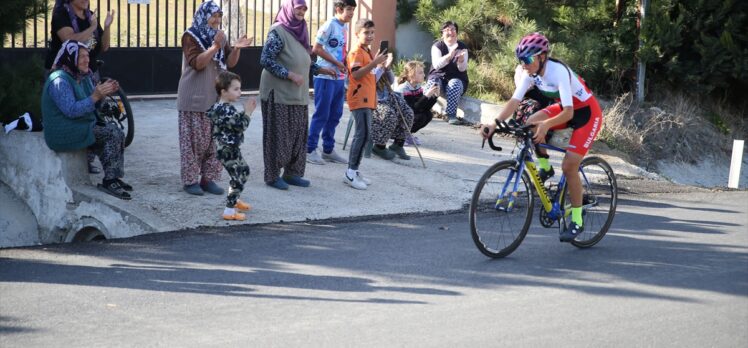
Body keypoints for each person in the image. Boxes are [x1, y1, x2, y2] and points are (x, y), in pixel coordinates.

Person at [481, 33, 603, 242]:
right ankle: (545, 167)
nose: (524, 65)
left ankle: (577, 219)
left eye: (528, 60)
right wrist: (494, 122)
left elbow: (568, 113)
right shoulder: (531, 72)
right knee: (529, 124)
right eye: (521, 60)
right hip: (564, 108)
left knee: (569, 166)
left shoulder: (558, 72)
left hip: (586, 114)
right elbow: (514, 101)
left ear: (542, 57)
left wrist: (546, 125)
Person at [177, 0, 252, 196]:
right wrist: (214, 46)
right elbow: (198, 63)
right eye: (213, 16)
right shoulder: (190, 36)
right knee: (193, 142)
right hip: (193, 97)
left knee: (214, 141)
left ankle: (208, 179)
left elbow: (230, 63)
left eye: (219, 16)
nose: (217, 20)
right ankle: (190, 181)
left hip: (214, 99)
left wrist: (236, 48)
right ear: (204, 16)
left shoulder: (220, 37)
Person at [259, 0, 336, 190]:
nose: (301, 11)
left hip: (298, 94)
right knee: (278, 136)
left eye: (304, 8)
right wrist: (289, 74)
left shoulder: (301, 30)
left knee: (297, 136)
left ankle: (293, 173)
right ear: (288, 9)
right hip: (278, 93)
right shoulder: (278, 31)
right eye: (298, 8)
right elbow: (266, 59)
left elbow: (303, 60)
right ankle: (272, 176)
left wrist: (321, 70)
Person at [41, 40, 130, 200]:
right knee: (110, 132)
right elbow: (71, 110)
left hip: (80, 125)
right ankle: (110, 180)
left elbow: (94, 105)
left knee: (115, 130)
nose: (86, 60)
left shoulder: (83, 76)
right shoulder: (59, 80)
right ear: (70, 57)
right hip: (64, 131)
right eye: (81, 56)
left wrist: (103, 93)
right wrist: (95, 96)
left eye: (87, 56)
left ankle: (114, 177)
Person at [45, 0, 115, 175]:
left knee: (93, 112)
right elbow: (71, 41)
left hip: (86, 71)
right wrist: (92, 27)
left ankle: (88, 158)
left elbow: (104, 46)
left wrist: (105, 27)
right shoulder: (62, 15)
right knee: (73, 111)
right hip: (66, 72)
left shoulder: (89, 16)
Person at [306, 0, 357, 165]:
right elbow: (317, 48)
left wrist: (346, 63)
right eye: (349, 10)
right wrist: (336, 63)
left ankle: (328, 149)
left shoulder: (345, 26)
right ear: (339, 9)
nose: (351, 13)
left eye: (353, 10)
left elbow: (340, 50)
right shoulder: (329, 25)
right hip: (325, 76)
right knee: (322, 113)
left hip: (338, 77)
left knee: (335, 115)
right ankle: (310, 148)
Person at [345, 19, 389, 190]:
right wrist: (374, 63)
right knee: (361, 135)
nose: (370, 36)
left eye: (372, 32)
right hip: (359, 99)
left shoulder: (368, 52)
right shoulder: (356, 52)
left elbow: (371, 76)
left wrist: (380, 66)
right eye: (366, 32)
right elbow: (356, 75)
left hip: (368, 99)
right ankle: (350, 172)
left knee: (365, 135)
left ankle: (354, 170)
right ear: (357, 34)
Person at [207, 71, 257, 221]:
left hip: (231, 148)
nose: (239, 92)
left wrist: (245, 112)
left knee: (244, 171)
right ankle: (229, 211)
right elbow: (240, 126)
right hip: (227, 150)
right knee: (238, 177)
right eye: (235, 89)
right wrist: (248, 112)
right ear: (223, 91)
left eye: (240, 88)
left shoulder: (224, 108)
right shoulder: (224, 109)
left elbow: (234, 122)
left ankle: (234, 200)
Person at [424, 20, 469, 125]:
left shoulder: (462, 47)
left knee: (455, 83)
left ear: (456, 32)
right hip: (438, 78)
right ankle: (422, 109)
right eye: (447, 30)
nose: (451, 32)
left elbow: (462, 69)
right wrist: (449, 56)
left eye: (453, 29)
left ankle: (450, 114)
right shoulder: (437, 46)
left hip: (456, 81)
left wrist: (461, 61)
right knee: (433, 83)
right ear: (442, 33)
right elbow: (436, 65)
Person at [371, 58, 414, 161]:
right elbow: (371, 81)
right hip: (374, 100)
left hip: (388, 97)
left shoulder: (380, 66)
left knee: (408, 112)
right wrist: (380, 68)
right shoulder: (369, 66)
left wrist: (387, 68)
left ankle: (398, 144)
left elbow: (390, 81)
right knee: (389, 114)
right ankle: (379, 146)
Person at [394, 60, 439, 146]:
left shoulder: (417, 87)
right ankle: (399, 135)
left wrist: (434, 96)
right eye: (420, 73)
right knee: (420, 117)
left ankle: (407, 134)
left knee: (428, 114)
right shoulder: (403, 89)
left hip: (408, 116)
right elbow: (413, 109)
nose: (424, 75)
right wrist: (426, 96)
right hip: (399, 120)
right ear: (411, 75)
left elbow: (423, 107)